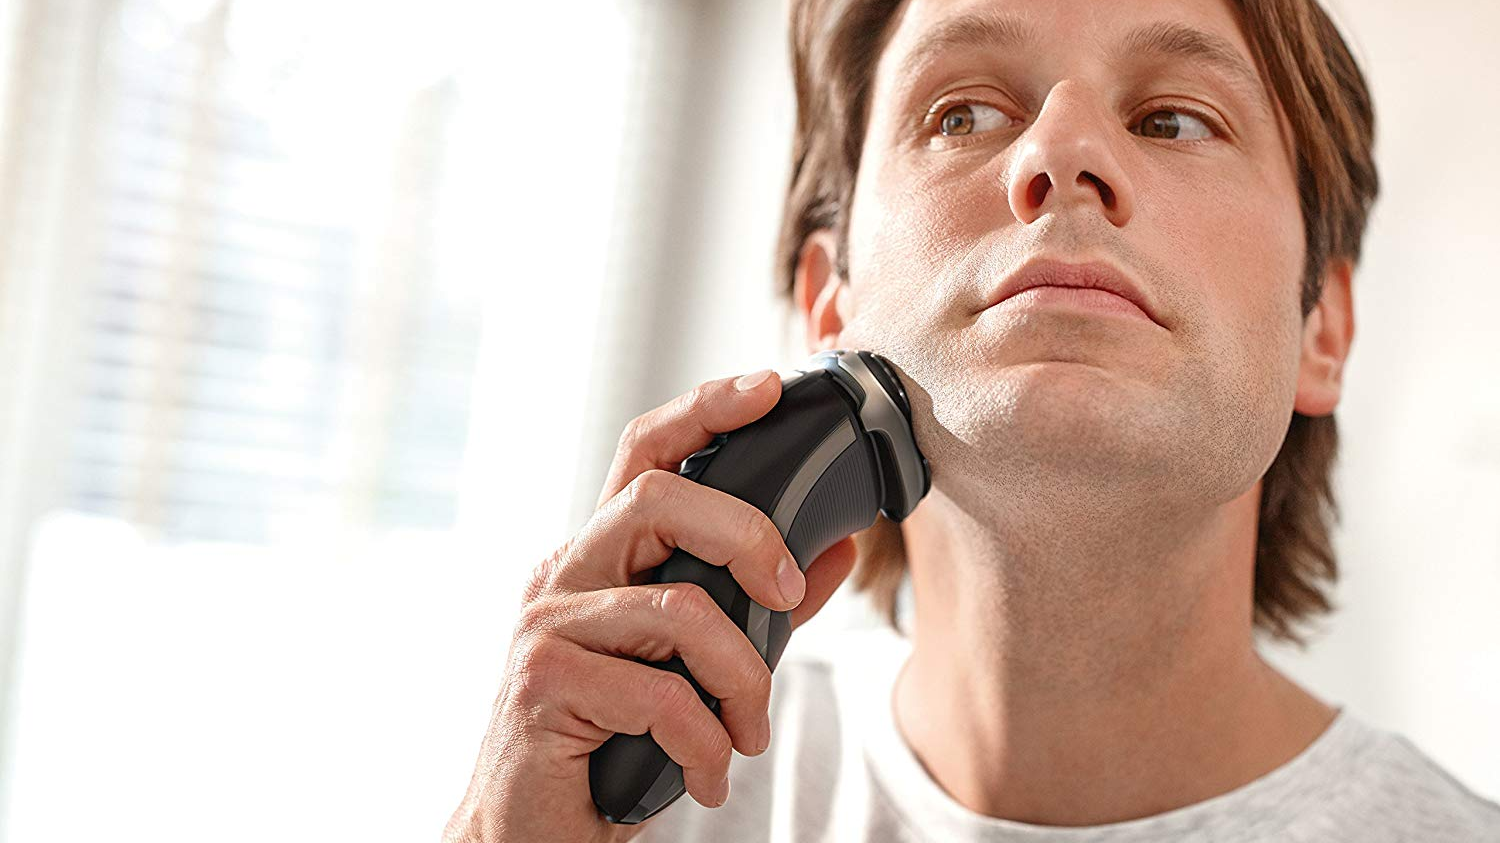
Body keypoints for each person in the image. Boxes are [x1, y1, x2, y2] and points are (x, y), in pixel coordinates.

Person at [443, 0, 1500, 840]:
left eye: (1174, 119)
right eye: (964, 113)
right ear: (831, 306)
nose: (1065, 156)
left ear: (1324, 327)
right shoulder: (620, 805)